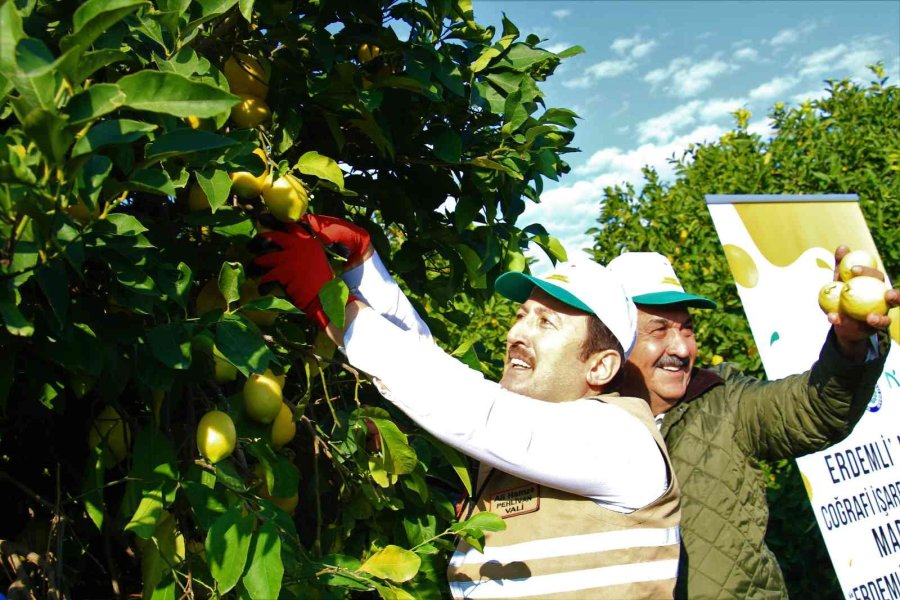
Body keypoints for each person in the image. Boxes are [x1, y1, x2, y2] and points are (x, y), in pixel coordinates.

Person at [254, 216, 682, 599]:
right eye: (521, 314)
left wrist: (337, 308)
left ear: (601, 366)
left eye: (545, 322)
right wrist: (362, 269)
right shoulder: (534, 440)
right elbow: (428, 363)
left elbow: (474, 410)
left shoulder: (621, 441)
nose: (517, 332)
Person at [606, 250, 897, 598]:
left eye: (687, 329)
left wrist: (852, 346)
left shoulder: (722, 400)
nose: (682, 349)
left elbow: (814, 409)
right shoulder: (579, 425)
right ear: (615, 340)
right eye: (660, 330)